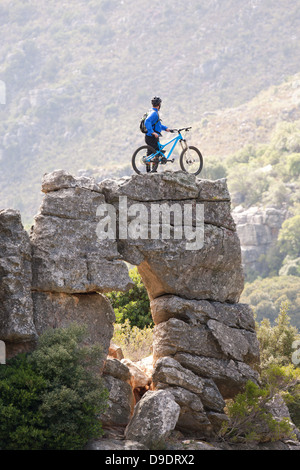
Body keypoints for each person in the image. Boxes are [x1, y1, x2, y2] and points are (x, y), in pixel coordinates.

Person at [144, 96, 172, 173]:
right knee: (156, 152)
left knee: (150, 153)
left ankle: (149, 170)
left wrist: (166, 128)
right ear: (159, 105)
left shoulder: (151, 111)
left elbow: (158, 125)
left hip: (149, 136)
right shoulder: (154, 113)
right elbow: (147, 121)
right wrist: (152, 132)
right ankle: (153, 170)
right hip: (152, 136)